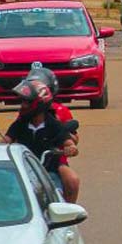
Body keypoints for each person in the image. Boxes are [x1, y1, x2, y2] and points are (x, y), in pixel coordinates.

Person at [4, 79, 79, 200]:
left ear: (39, 104)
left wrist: (70, 149)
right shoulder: (20, 123)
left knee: (72, 181)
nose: (22, 106)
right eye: (22, 102)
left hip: (50, 168)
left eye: (26, 102)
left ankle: (68, 209)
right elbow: (6, 140)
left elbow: (69, 143)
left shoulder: (54, 124)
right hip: (24, 168)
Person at [24, 66, 81, 202]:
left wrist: (67, 140)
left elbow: (74, 139)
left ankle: (68, 211)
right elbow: (11, 137)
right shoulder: (24, 115)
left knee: (72, 181)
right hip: (28, 158)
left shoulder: (61, 111)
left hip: (55, 160)